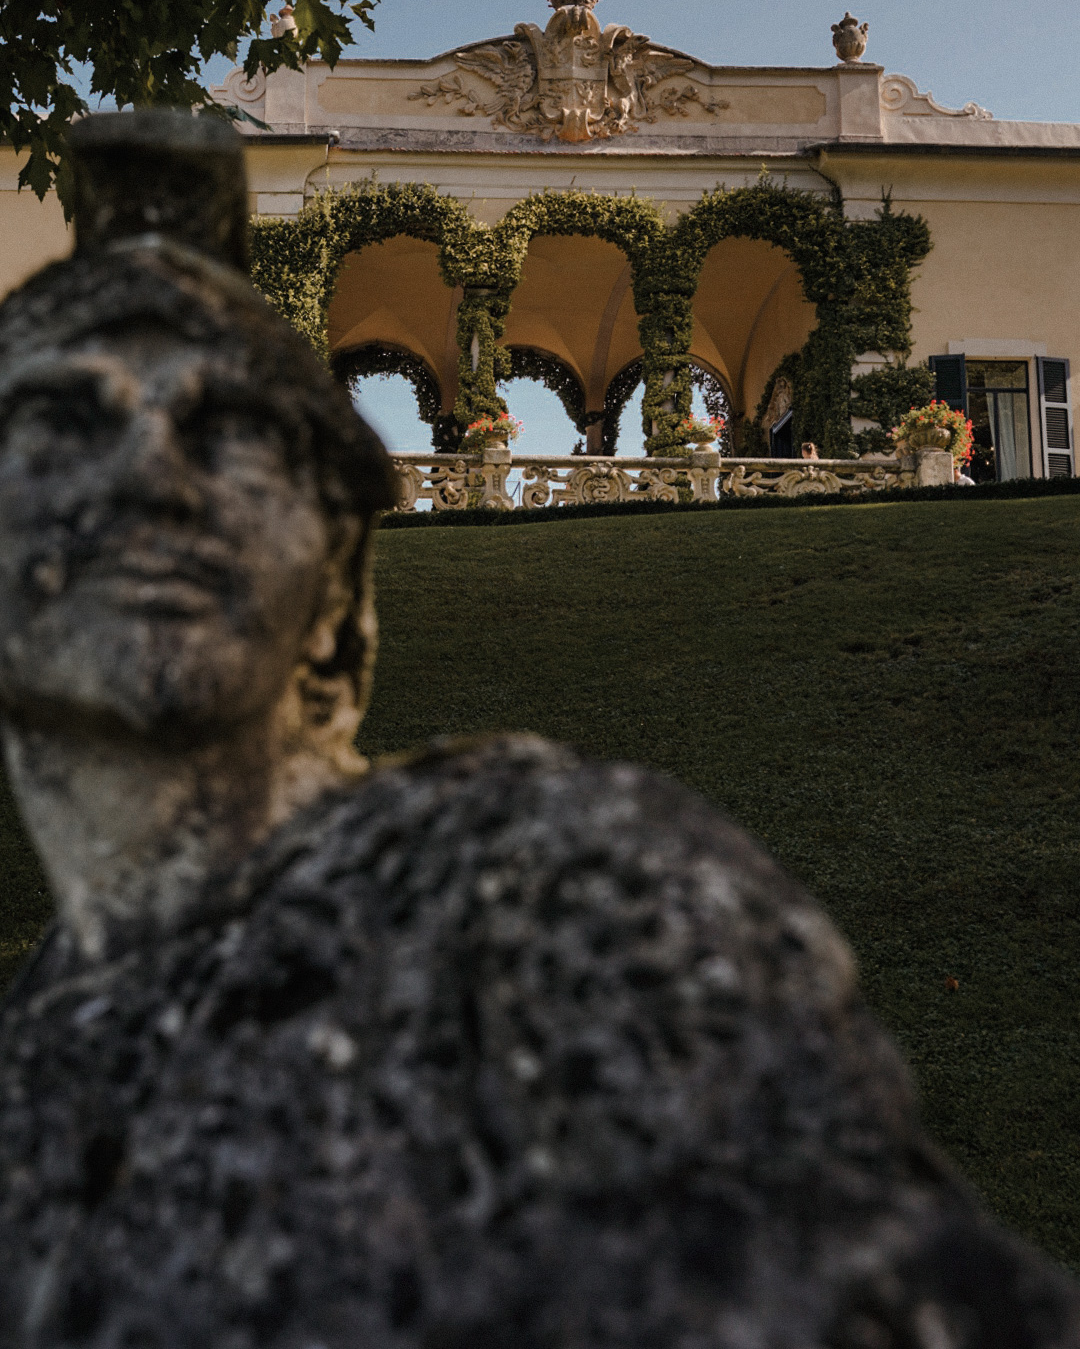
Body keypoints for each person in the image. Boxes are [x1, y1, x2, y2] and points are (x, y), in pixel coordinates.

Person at [0, 113, 1076, 1349]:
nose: (150, 473)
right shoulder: (43, 1030)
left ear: (339, 581)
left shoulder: (533, 881)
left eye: (232, 433)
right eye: (62, 425)